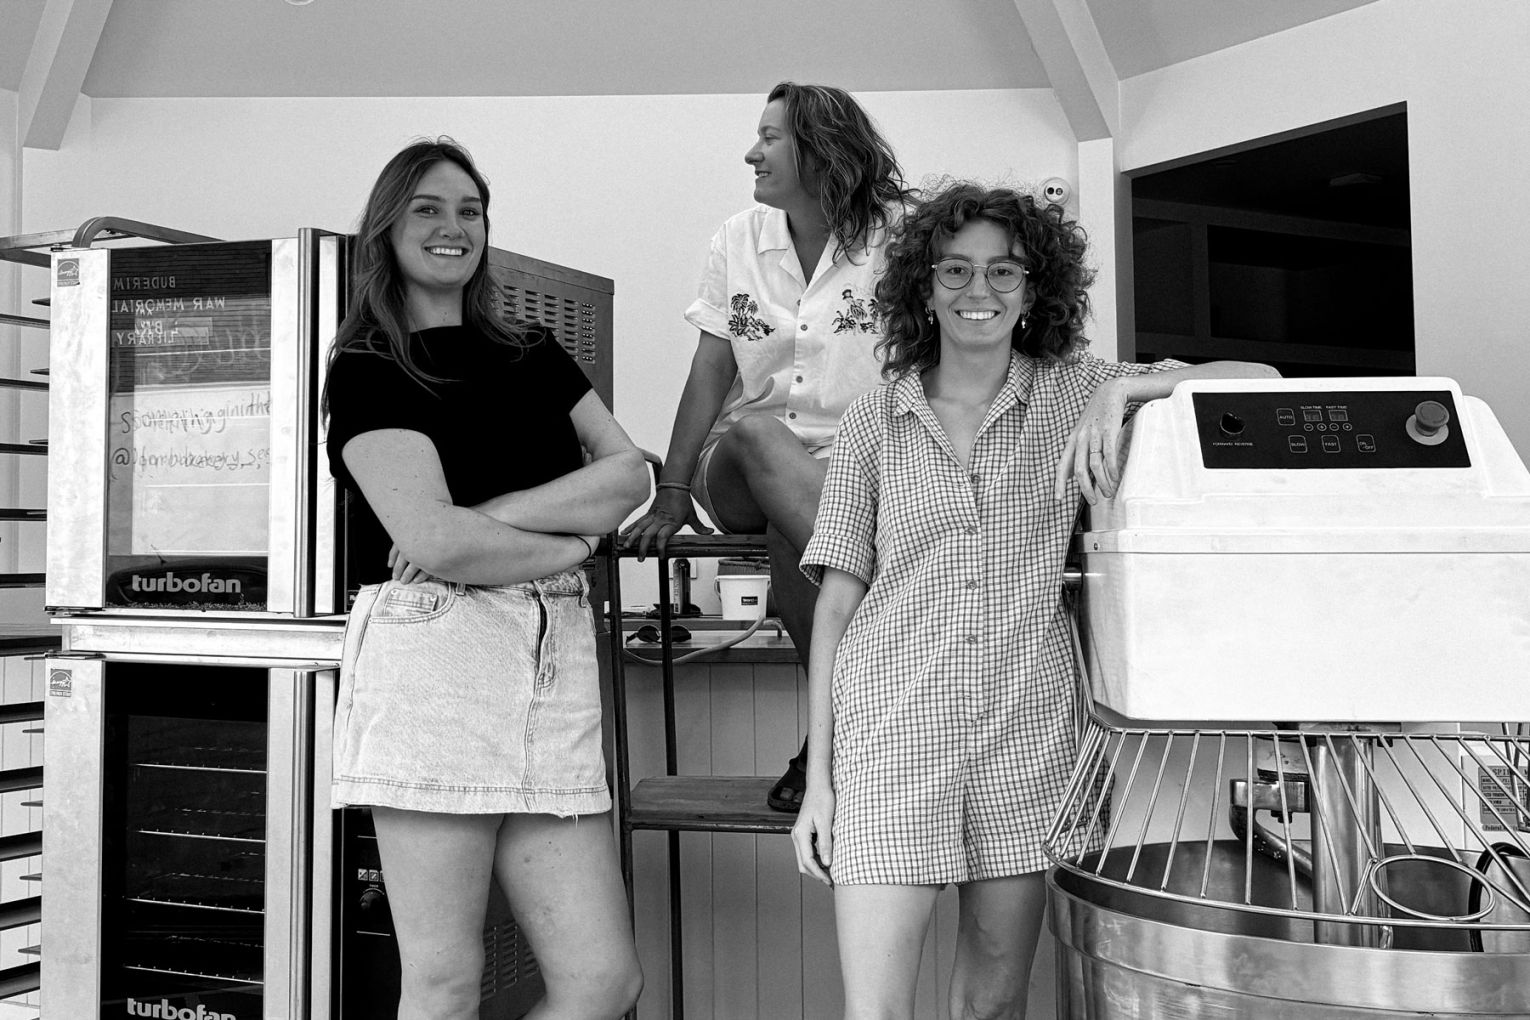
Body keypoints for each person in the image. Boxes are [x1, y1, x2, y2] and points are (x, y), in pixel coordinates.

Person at [789, 181, 1277, 1018]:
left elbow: (1259, 377)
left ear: (1033, 288)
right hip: (889, 734)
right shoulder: (874, 419)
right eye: (955, 270)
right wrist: (819, 784)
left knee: (994, 1003)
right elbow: (836, 606)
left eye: (1004, 272)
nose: (979, 292)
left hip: (1027, 737)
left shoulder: (1073, 392)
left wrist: (1123, 391)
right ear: (923, 285)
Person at [324, 138, 648, 1020]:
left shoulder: (531, 350)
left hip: (555, 658)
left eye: (469, 210)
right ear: (387, 230)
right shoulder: (368, 369)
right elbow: (439, 544)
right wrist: (580, 544)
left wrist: (497, 512)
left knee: (601, 980)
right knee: (443, 981)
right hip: (439, 661)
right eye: (428, 209)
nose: (452, 227)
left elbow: (631, 477)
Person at [619, 81, 913, 812]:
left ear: (821, 148)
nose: (753, 152)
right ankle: (897, 652)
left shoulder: (903, 238)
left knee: (807, 514)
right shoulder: (737, 239)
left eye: (770, 137)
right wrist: (675, 488)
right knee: (758, 430)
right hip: (744, 468)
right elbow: (711, 369)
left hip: (859, 477)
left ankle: (829, 739)